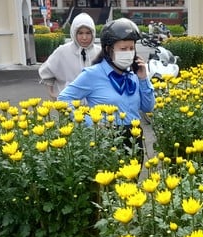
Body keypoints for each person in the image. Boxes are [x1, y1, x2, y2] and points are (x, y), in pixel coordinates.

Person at [57, 18, 155, 164]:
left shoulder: (133, 75)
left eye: (131, 48)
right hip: (106, 137)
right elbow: (64, 99)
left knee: (131, 185)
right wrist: (90, 121)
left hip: (134, 137)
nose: (129, 53)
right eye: (123, 49)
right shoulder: (92, 74)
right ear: (109, 50)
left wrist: (143, 79)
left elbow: (148, 107)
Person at [39, 13, 101, 100]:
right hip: (68, 106)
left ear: (93, 33)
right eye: (80, 33)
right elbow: (47, 73)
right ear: (74, 33)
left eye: (88, 33)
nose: (84, 37)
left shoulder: (100, 52)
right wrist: (52, 95)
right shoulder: (62, 51)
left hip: (95, 107)